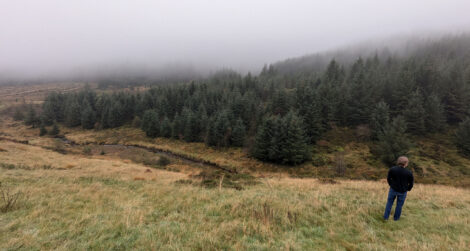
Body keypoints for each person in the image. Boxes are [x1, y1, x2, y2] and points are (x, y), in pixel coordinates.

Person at [383, 156, 414, 221]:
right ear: (406, 163)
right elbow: (411, 183)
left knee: (389, 203)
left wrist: (391, 185)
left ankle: (385, 218)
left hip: (393, 189)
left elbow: (388, 178)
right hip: (403, 191)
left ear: (398, 162)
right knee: (399, 205)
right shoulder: (409, 173)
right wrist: (408, 189)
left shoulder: (392, 169)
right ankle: (396, 219)